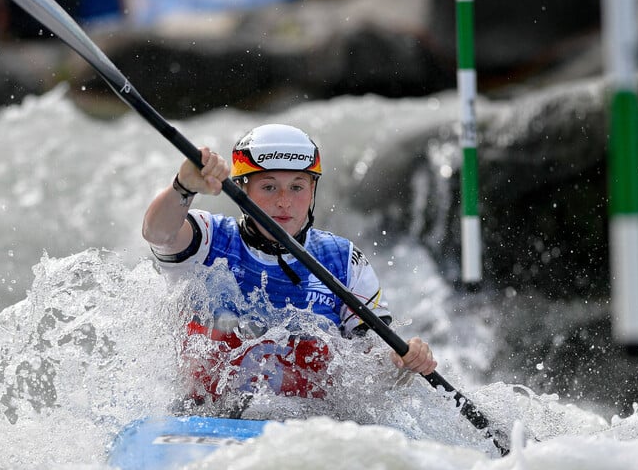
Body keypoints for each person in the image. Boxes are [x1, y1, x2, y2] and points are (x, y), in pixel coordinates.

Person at [142, 124, 437, 411]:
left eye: (297, 187)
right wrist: (183, 187)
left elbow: (373, 362)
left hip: (304, 430)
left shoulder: (343, 260)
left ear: (312, 190)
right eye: (269, 187)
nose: (284, 202)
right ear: (243, 189)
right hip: (202, 416)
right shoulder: (209, 239)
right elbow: (158, 233)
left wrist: (403, 361)